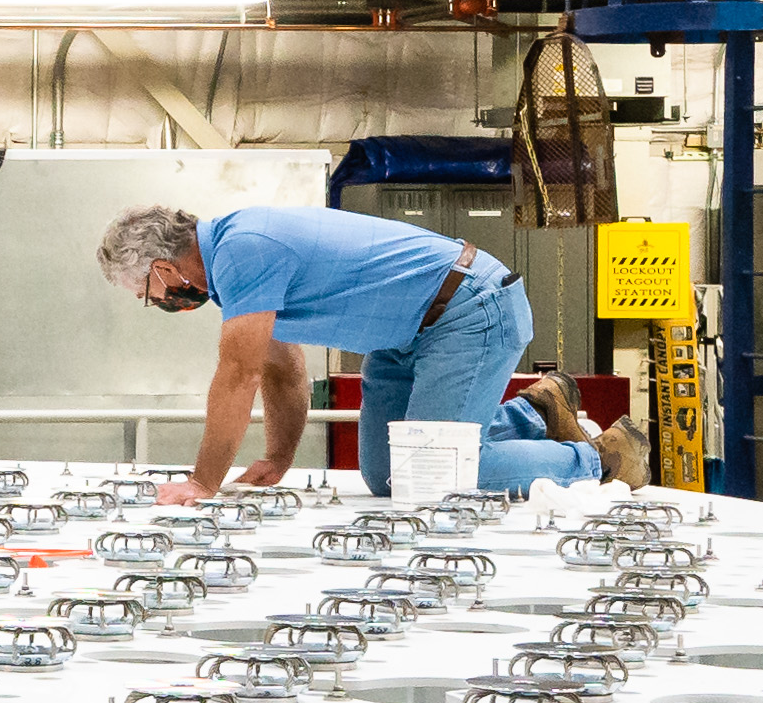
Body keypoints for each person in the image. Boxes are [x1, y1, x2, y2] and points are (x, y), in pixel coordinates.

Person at [103, 202, 551, 498]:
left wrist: (202, 482)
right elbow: (282, 368)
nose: (157, 302)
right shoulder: (233, 264)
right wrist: (278, 459)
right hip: (405, 335)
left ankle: (598, 459)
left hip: (465, 310)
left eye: (147, 291)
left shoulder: (244, 250)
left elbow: (239, 375)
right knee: (385, 475)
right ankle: (536, 414)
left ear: (163, 269)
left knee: (430, 478)